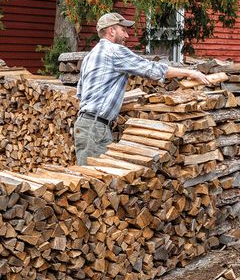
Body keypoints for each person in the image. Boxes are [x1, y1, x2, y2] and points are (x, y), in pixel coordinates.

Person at [74, 11, 211, 165]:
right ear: (111, 30)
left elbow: (80, 94)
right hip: (95, 128)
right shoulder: (114, 51)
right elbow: (151, 69)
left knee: (91, 179)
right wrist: (189, 72)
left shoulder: (90, 56)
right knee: (95, 178)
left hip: (86, 125)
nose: (126, 36)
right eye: (123, 30)